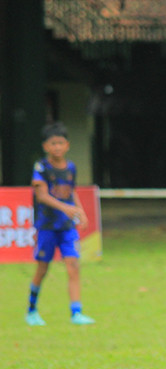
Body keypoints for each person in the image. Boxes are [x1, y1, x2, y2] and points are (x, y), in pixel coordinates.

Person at [26, 122, 95, 326]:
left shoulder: (71, 167)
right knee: (42, 269)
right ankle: (31, 310)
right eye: (53, 143)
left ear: (67, 145)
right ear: (46, 146)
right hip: (47, 227)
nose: (57, 147)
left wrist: (80, 211)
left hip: (67, 228)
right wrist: (65, 208)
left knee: (73, 265)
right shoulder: (41, 168)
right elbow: (42, 196)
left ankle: (76, 313)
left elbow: (72, 192)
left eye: (61, 143)